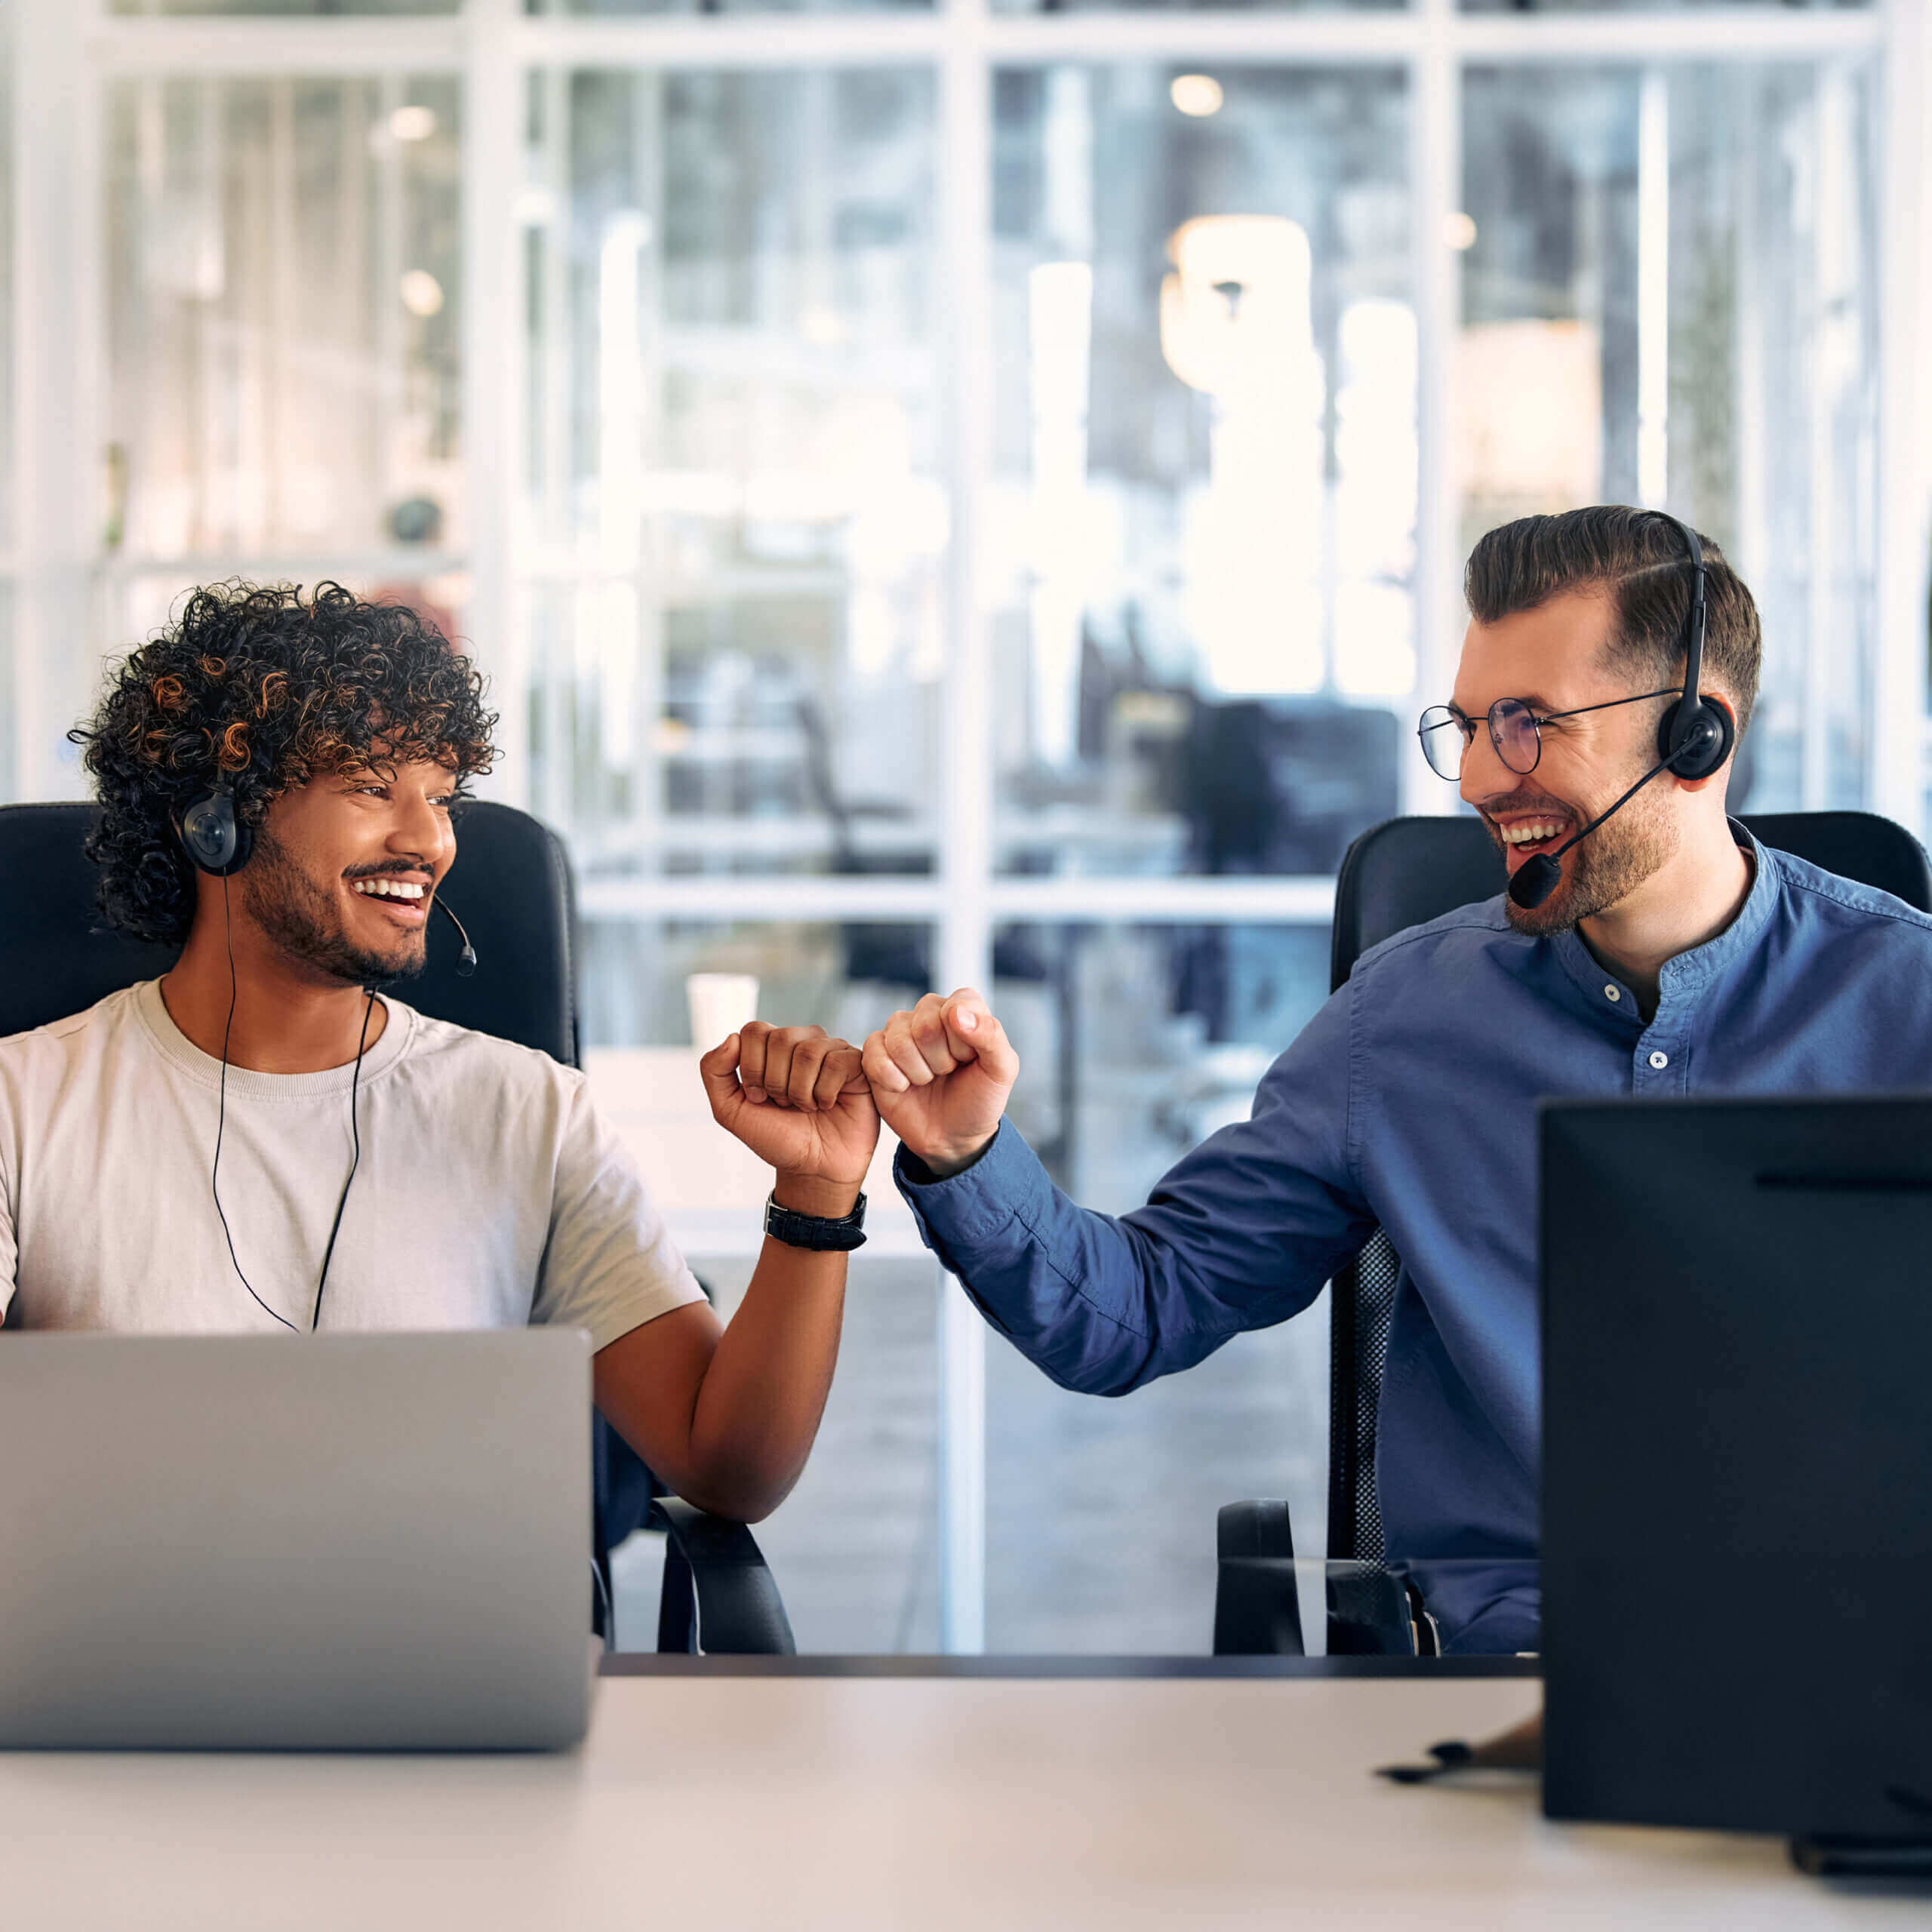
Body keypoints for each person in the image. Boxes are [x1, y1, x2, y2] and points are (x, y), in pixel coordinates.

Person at [861, 505, 1932, 1652]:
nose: (1476, 777)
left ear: (1694, 735)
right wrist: (965, 1154)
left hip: (1855, 1672)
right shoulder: (1406, 1022)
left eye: (1526, 725)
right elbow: (1135, 1312)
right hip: (1511, 1678)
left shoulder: (1906, 1010)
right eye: (1467, 726)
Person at [0, 580, 876, 1525]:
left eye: (443, 797)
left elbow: (727, 1468)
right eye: (374, 788)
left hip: (450, 1670)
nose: (429, 840)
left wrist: (815, 1200)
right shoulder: (23, 1103)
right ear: (218, 822)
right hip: (110, 1668)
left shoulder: (530, 1114)